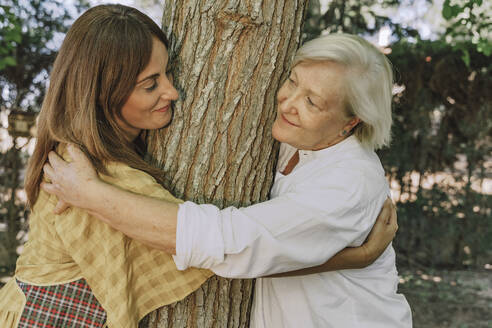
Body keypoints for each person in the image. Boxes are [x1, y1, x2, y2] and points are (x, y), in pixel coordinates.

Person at [0, 5, 396, 328]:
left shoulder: (346, 179)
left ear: (351, 122)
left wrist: (351, 257)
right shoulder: (89, 169)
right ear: (105, 93)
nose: (174, 91)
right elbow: (213, 254)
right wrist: (351, 256)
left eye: (313, 102)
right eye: (151, 83)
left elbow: (229, 247)